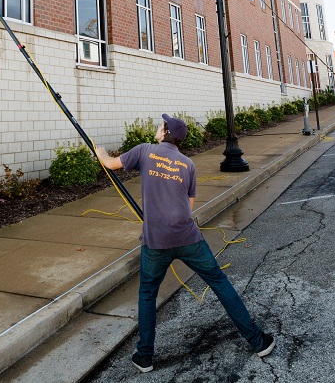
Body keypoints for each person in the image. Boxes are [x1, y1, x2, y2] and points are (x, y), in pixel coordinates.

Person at [95, 114, 275, 373]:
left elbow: (111, 164)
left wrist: (99, 150)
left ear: (165, 133)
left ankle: (144, 356)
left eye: (161, 125)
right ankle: (258, 342)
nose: (158, 128)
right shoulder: (187, 163)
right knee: (220, 283)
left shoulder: (145, 151)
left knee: (147, 294)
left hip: (155, 242)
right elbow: (187, 207)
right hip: (188, 237)